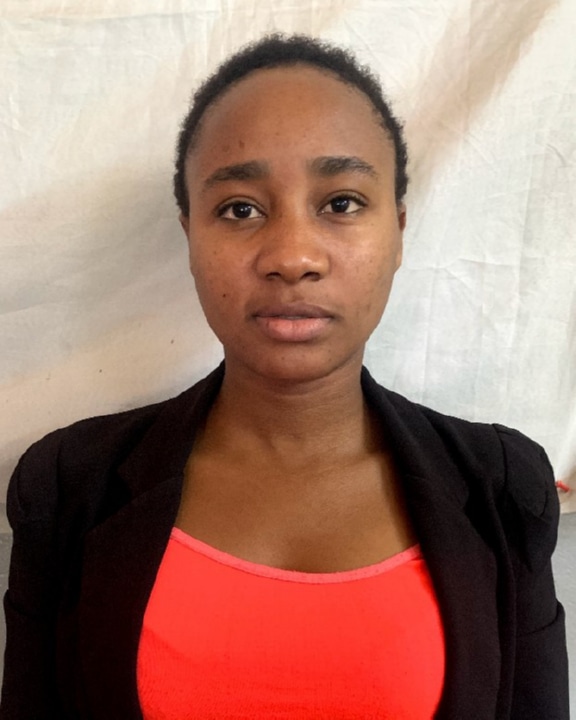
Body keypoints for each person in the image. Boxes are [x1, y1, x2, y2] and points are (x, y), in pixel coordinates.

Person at [0, 33, 569, 720]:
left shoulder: (502, 489)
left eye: (342, 203)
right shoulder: (68, 488)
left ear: (398, 229)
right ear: (189, 234)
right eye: (240, 208)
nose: (293, 256)